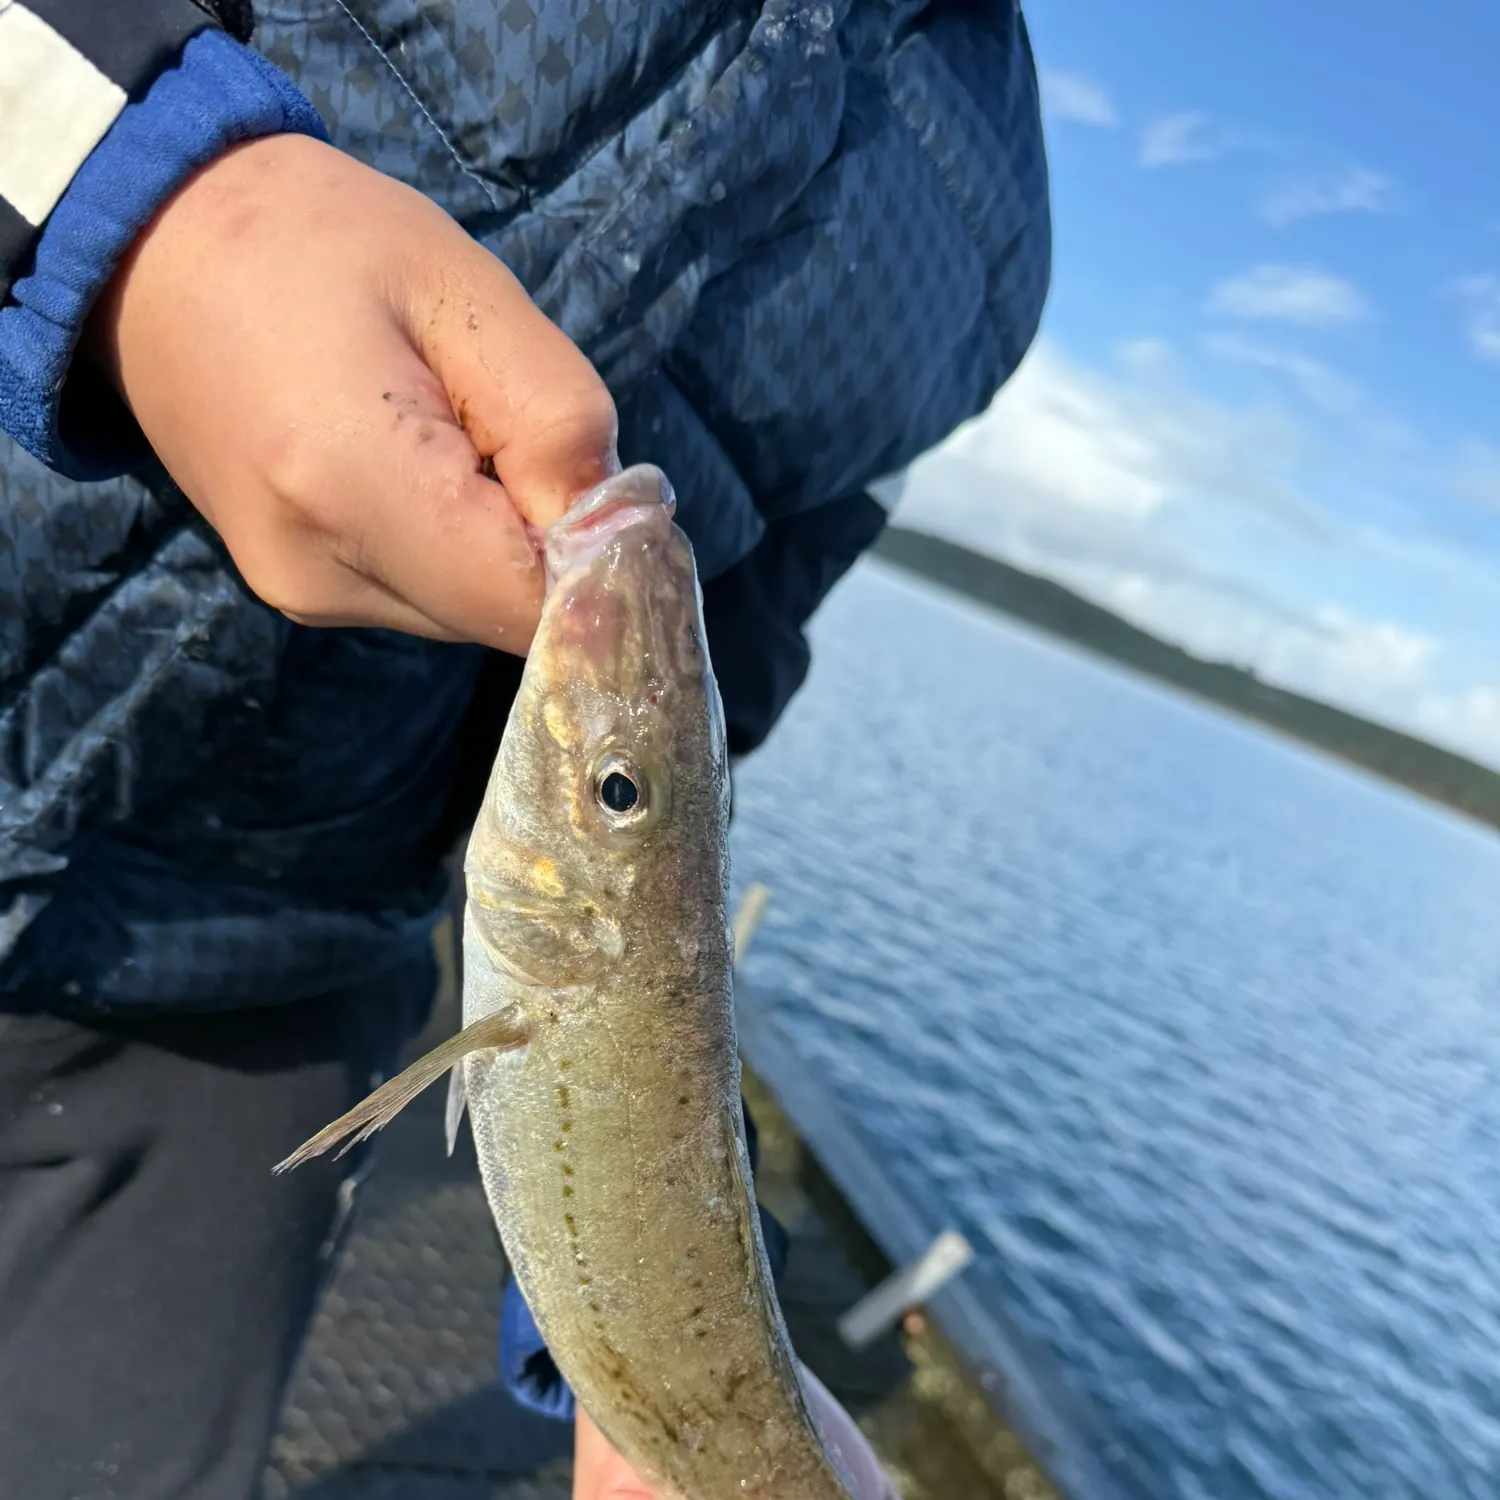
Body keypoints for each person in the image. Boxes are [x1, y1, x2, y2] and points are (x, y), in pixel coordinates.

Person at [0, 2, 1051, 1497]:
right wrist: (148, 190)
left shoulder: (990, 260)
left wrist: (663, 1312)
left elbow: (698, 728)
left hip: (254, 994)